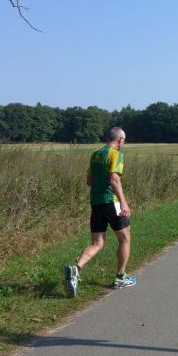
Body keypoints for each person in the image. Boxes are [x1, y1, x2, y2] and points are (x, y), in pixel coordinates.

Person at [65, 127, 136, 297]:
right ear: (119, 140)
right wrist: (124, 203)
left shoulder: (95, 154)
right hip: (111, 202)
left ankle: (76, 268)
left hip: (96, 202)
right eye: (124, 140)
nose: (124, 143)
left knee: (97, 243)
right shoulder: (115, 154)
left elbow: (89, 181)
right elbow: (114, 179)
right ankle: (120, 277)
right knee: (125, 239)